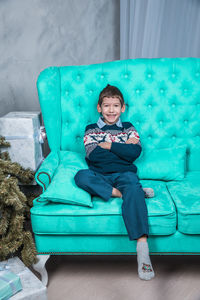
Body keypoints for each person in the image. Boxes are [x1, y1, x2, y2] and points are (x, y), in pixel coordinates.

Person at [74, 84, 155, 280]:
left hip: (125, 174)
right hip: (99, 174)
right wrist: (122, 149)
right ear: (99, 108)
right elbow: (94, 156)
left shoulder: (129, 128)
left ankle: (142, 249)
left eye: (116, 106)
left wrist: (108, 144)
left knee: (131, 182)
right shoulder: (90, 129)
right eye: (107, 106)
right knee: (80, 176)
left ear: (123, 108)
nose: (111, 110)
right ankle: (126, 193)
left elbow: (135, 153)